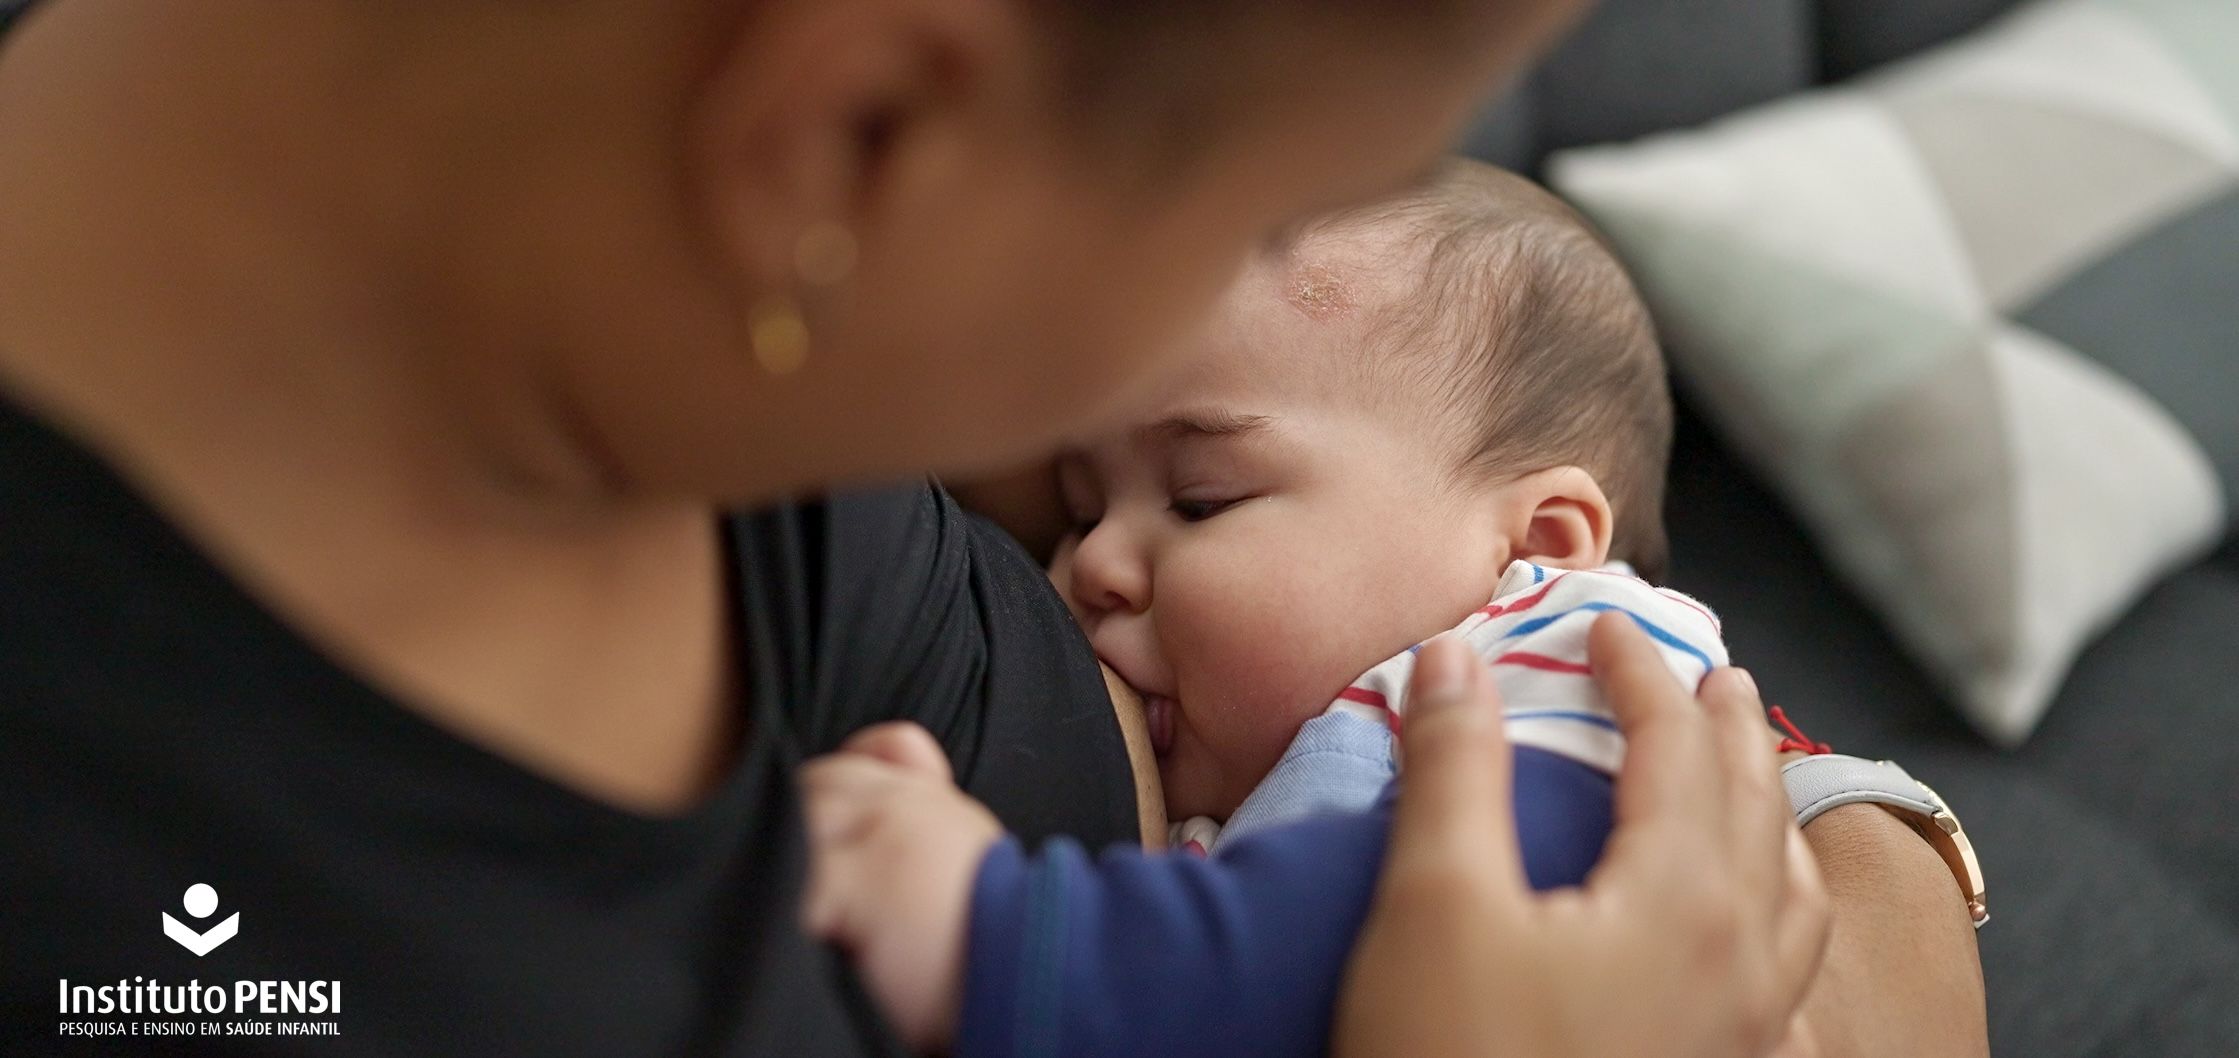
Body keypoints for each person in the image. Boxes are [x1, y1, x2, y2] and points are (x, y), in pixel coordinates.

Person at [0, 1, 1983, 1056]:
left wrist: (1841, 835)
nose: (1091, 552)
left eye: (1189, 487)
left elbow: (1550, 653)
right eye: (1241, 215)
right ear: (851, 132)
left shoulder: (711, 312)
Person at [798, 162, 1755, 1058]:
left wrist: (994, 930)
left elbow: (1454, 919)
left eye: (1199, 500)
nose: (1089, 560)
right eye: (1084, 510)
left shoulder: (1591, 652)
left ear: (1536, 543)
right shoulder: (1231, 798)